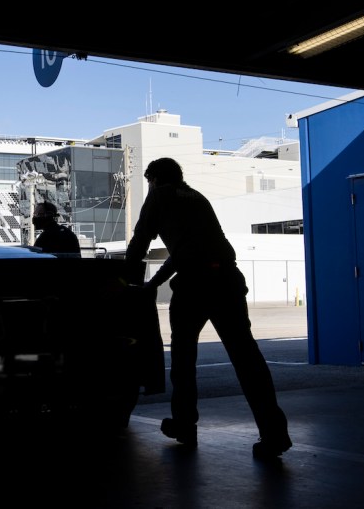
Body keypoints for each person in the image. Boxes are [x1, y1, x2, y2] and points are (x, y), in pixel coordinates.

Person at [124, 157, 292, 459]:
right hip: (227, 278)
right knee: (247, 357)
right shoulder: (197, 198)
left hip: (194, 285)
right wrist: (153, 285)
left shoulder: (158, 196)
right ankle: (274, 434)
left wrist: (124, 278)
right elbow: (186, 250)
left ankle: (185, 425)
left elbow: (139, 242)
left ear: (153, 179)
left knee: (184, 358)